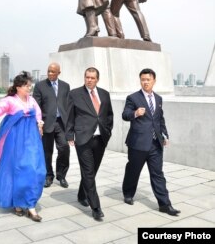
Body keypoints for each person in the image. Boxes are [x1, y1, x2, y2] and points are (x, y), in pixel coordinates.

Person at [0, 71, 46, 222]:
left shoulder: (31, 100)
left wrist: (40, 124)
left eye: (30, 85)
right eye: (26, 86)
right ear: (18, 87)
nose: (29, 88)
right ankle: (21, 204)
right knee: (16, 171)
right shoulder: (10, 101)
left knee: (35, 170)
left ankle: (29, 203)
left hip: (32, 141)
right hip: (14, 142)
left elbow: (38, 114)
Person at [122, 68, 181, 216]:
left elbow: (160, 119)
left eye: (148, 79)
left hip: (156, 144)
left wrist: (165, 135)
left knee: (158, 174)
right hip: (138, 144)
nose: (145, 82)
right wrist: (135, 113)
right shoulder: (133, 98)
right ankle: (128, 193)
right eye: (143, 79)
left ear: (154, 80)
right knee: (133, 171)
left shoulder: (159, 99)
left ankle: (165, 204)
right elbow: (125, 115)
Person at [66, 67, 113, 220]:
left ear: (97, 79)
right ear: (84, 77)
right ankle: (96, 207)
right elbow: (70, 116)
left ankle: (81, 194)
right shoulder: (75, 94)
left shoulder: (105, 94)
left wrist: (108, 131)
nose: (89, 80)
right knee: (88, 172)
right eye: (87, 77)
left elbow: (109, 115)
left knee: (92, 171)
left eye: (92, 77)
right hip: (83, 139)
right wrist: (69, 134)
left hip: (100, 139)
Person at [33, 63, 70, 189]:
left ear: (59, 72)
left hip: (61, 123)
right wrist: (38, 123)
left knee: (64, 148)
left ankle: (61, 176)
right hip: (46, 123)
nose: (50, 74)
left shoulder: (65, 86)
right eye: (49, 71)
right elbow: (36, 106)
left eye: (53, 72)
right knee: (46, 152)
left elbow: (68, 105)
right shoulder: (40, 86)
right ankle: (48, 176)